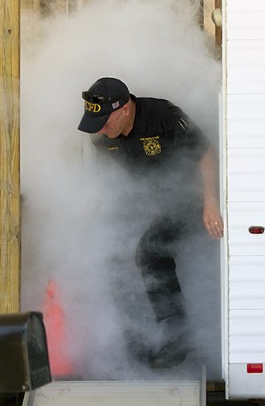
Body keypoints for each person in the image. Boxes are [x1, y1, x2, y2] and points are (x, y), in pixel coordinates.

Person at [78, 77, 223, 369]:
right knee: (110, 253)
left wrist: (210, 204)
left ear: (126, 110)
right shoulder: (101, 135)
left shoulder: (164, 116)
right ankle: (134, 341)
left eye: (105, 121)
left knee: (150, 250)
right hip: (146, 198)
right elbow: (109, 179)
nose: (101, 129)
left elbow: (206, 154)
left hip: (186, 197)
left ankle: (177, 336)